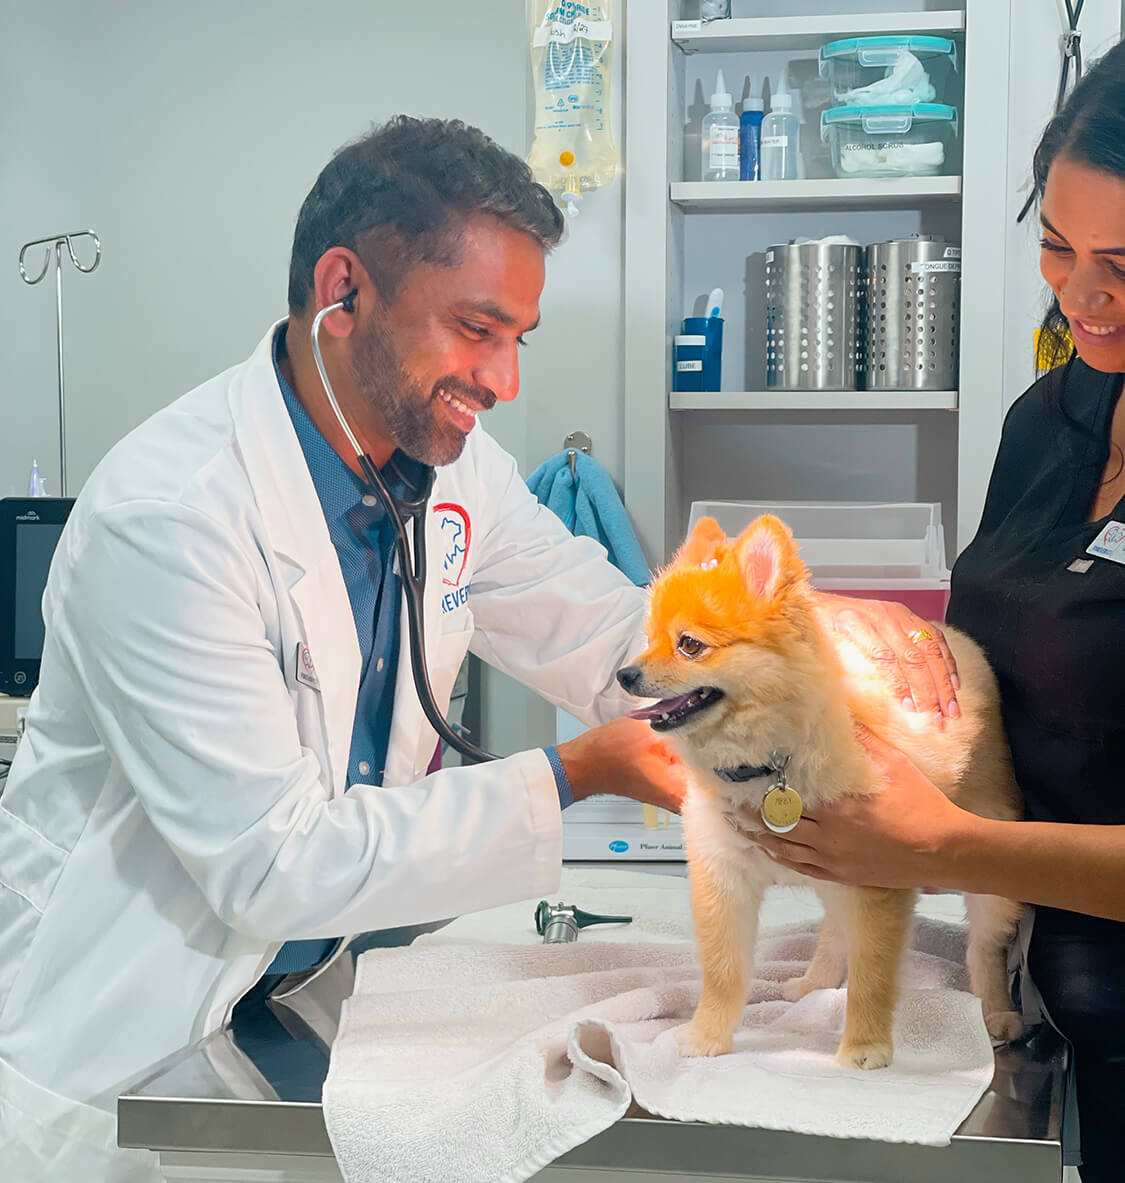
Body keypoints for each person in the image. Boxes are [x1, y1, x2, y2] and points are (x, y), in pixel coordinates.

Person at [0, 116, 699, 1182]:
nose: (504, 379)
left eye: (520, 338)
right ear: (344, 290)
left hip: (275, 1017)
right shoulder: (174, 516)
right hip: (109, 1061)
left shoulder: (451, 469)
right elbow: (272, 862)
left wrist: (790, 652)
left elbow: (606, 631)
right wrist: (574, 776)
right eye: (477, 328)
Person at [746, 42, 1125, 1183]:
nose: (1082, 296)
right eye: (1057, 248)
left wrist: (947, 844)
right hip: (1049, 1028)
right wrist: (872, 662)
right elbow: (1007, 657)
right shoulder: (1049, 421)